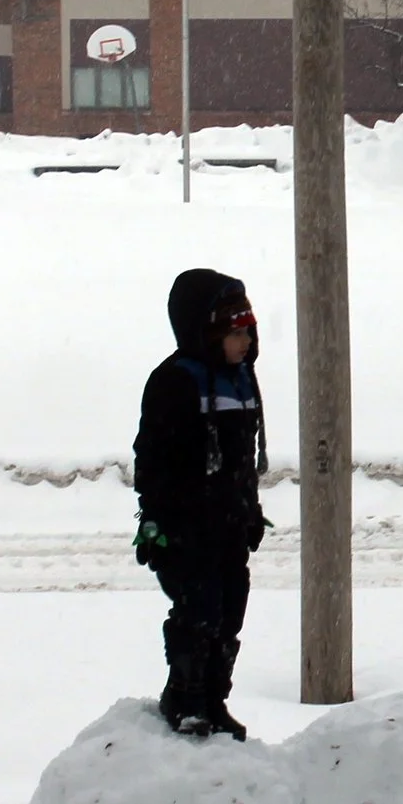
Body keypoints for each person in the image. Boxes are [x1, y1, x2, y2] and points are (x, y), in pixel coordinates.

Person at [134, 268, 268, 740]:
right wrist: (155, 520)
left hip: (228, 524)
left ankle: (214, 698)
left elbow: (244, 458)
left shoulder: (241, 381)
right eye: (235, 333)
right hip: (185, 526)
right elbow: (150, 458)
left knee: (231, 609)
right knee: (199, 610)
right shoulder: (175, 382)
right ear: (207, 332)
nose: (245, 342)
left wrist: (249, 509)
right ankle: (184, 698)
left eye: (248, 332)